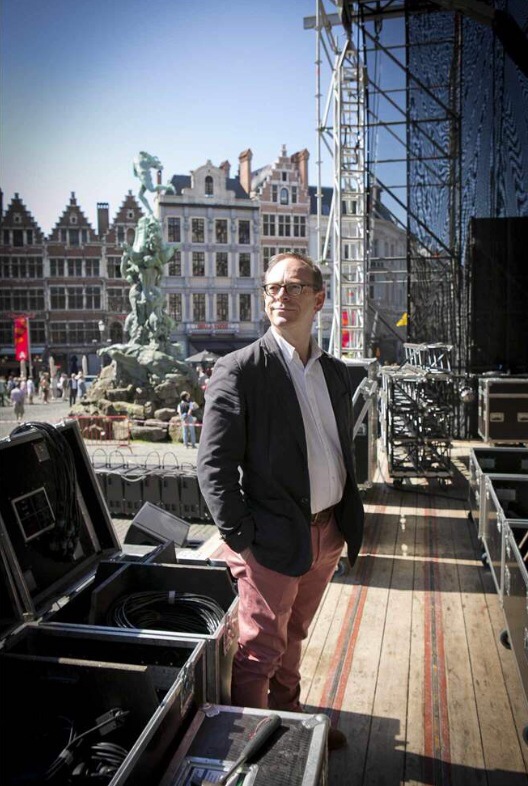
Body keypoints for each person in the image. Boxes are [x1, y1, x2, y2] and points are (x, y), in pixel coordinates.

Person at [197, 252, 364, 752]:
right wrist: (242, 539)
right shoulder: (239, 370)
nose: (280, 296)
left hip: (327, 533)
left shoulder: (335, 373)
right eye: (272, 288)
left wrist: (340, 523)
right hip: (270, 539)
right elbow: (213, 466)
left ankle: (291, 722)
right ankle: (256, 756)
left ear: (319, 298)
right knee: (258, 652)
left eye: (293, 287)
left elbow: (337, 448)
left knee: (293, 635)